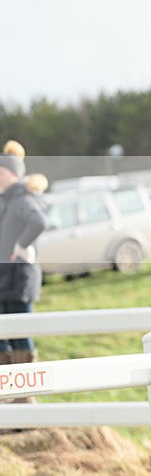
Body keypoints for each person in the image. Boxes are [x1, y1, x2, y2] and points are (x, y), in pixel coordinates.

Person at [0, 151, 47, 375]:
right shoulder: (9, 200)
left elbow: (38, 221)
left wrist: (21, 245)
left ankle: (26, 396)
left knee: (20, 336)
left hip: (17, 282)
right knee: (6, 335)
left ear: (10, 173)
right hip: (7, 281)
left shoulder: (21, 198)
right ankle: (11, 393)